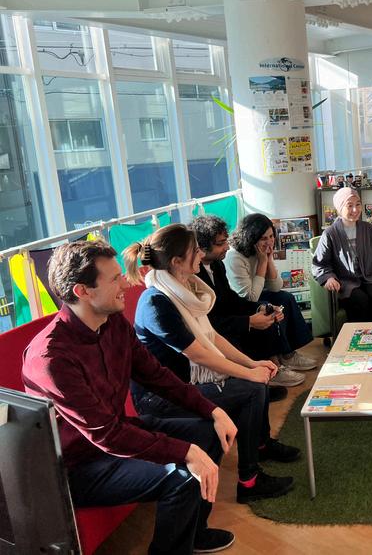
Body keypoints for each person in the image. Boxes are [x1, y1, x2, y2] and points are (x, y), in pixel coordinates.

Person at [22, 240, 238, 554]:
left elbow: (157, 376)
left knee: (209, 432)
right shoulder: (51, 358)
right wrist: (185, 451)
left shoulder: (112, 324)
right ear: (83, 291)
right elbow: (106, 435)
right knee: (184, 476)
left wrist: (212, 410)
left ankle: (194, 533)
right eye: (114, 279)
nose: (126, 283)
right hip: (80, 467)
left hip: (118, 436)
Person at [124, 224, 299, 505]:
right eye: (195, 251)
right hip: (160, 398)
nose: (201, 254)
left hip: (184, 385)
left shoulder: (184, 288)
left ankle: (260, 447)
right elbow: (200, 355)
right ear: (176, 262)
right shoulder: (156, 302)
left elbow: (213, 337)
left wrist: (252, 364)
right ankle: (250, 481)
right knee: (253, 388)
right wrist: (250, 373)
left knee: (256, 384)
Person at [190, 215, 317, 396]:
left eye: (271, 236)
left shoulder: (216, 264)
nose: (226, 247)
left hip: (230, 312)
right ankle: (271, 368)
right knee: (262, 313)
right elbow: (215, 318)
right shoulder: (202, 271)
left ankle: (284, 357)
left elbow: (233, 298)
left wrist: (260, 308)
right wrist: (249, 320)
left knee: (276, 303)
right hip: (216, 327)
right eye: (220, 243)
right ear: (201, 247)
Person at [224, 213, 316, 387]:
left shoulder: (261, 253)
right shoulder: (234, 257)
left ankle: (288, 354)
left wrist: (269, 260)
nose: (269, 242)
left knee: (286, 298)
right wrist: (262, 263)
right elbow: (250, 297)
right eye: (263, 238)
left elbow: (276, 287)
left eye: (271, 236)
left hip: (256, 295)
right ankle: (273, 366)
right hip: (240, 304)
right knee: (267, 307)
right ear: (251, 238)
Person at [311, 187, 372, 322]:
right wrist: (329, 278)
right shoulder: (330, 233)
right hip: (345, 282)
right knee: (360, 300)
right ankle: (362, 335)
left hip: (369, 277)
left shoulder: (368, 229)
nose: (355, 209)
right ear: (339, 208)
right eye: (349, 205)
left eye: (358, 204)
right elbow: (321, 263)